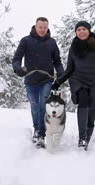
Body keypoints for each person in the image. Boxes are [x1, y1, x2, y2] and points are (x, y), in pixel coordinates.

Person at [51, 21, 95, 150]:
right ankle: (82, 138)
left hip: (94, 80)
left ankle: (88, 125)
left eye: (84, 29)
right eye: (78, 30)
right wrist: (58, 82)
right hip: (78, 80)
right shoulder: (74, 47)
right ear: (76, 32)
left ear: (88, 30)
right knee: (83, 101)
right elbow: (69, 68)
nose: (81, 32)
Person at [12, 17, 64, 148]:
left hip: (46, 79)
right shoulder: (25, 41)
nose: (42, 29)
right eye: (40, 27)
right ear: (35, 27)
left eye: (45, 27)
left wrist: (61, 72)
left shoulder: (52, 42)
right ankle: (36, 127)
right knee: (34, 106)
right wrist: (18, 69)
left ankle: (41, 134)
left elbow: (57, 61)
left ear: (47, 28)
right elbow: (16, 59)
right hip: (30, 79)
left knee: (42, 105)